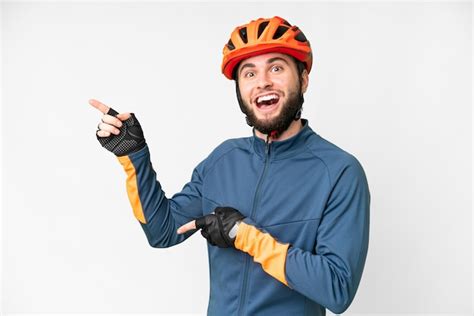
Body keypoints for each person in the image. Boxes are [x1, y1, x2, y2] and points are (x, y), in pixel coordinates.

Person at [91, 16, 370, 315]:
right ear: (239, 88)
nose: (263, 81)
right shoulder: (222, 161)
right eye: (249, 73)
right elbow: (163, 231)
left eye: (276, 68)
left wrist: (244, 234)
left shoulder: (339, 171)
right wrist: (135, 156)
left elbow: (337, 289)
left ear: (303, 79)